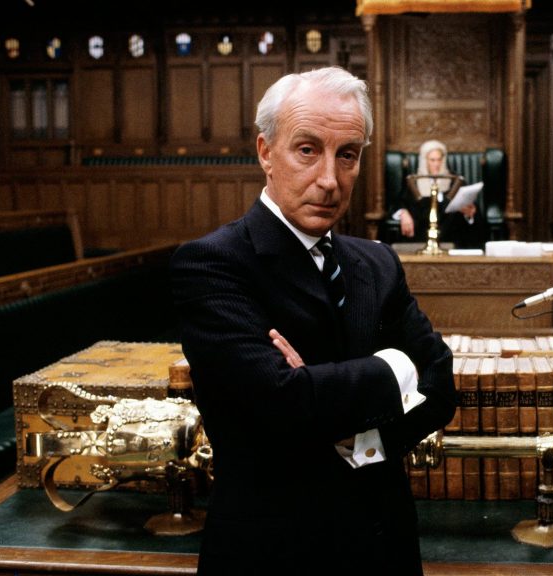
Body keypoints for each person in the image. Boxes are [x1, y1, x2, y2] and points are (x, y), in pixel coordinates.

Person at [170, 66, 456, 576]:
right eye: (307, 150)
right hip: (274, 556)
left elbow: (441, 383)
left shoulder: (377, 262)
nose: (329, 179)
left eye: (347, 154)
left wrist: (357, 435)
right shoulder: (212, 263)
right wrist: (396, 367)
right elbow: (279, 402)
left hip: (383, 547)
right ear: (265, 152)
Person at [393, 139, 486, 248]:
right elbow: (399, 204)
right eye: (432, 160)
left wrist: (468, 213)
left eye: (439, 159)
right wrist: (404, 213)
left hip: (452, 239)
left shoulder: (455, 181)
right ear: (425, 161)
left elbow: (470, 211)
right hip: (421, 237)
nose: (436, 164)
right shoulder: (413, 182)